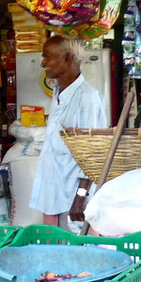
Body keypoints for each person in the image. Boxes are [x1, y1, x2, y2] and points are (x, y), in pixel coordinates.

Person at [29, 36, 108, 227]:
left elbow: (94, 152)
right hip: (53, 193)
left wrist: (82, 195)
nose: (43, 63)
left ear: (68, 58)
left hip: (73, 199)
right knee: (52, 253)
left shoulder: (87, 97)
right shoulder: (59, 90)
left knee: (75, 252)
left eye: (47, 57)